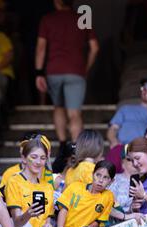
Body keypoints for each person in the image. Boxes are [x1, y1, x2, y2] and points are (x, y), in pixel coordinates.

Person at [35, 0, 99, 145]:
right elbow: (94, 47)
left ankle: (63, 146)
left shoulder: (48, 19)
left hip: (54, 70)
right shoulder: (83, 18)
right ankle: (76, 149)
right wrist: (85, 68)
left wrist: (39, 73)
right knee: (74, 113)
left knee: (58, 107)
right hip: (76, 71)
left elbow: (40, 48)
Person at [107, 78, 147, 148]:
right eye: (143, 87)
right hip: (123, 147)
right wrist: (114, 141)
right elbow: (113, 129)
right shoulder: (125, 109)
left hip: (146, 150)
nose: (144, 90)